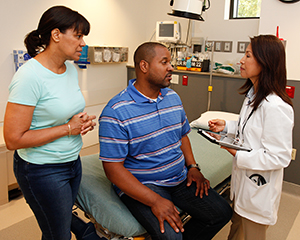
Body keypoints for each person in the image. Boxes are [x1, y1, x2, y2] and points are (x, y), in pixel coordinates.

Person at [99, 42, 232, 240]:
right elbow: (113, 169)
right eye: (165, 62)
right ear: (144, 66)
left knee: (221, 213)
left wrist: (193, 167)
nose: (171, 67)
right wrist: (154, 200)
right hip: (144, 183)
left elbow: (182, 135)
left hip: (178, 177)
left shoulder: (173, 97)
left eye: (170, 62)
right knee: (171, 237)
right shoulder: (116, 111)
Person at [3, 6, 100, 240]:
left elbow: (61, 113)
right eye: (78, 36)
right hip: (41, 170)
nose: (83, 43)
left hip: (71, 162)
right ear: (56, 35)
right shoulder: (29, 76)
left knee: (60, 223)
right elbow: (13, 139)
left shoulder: (68, 69)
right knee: (58, 235)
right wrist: (68, 129)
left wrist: (79, 122)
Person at [208, 35, 294, 240]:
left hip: (257, 193)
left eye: (248, 55)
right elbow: (252, 128)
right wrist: (228, 126)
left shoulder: (276, 107)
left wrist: (237, 154)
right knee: (236, 232)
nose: (241, 61)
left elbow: (279, 157)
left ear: (265, 62)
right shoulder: (253, 97)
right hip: (243, 191)